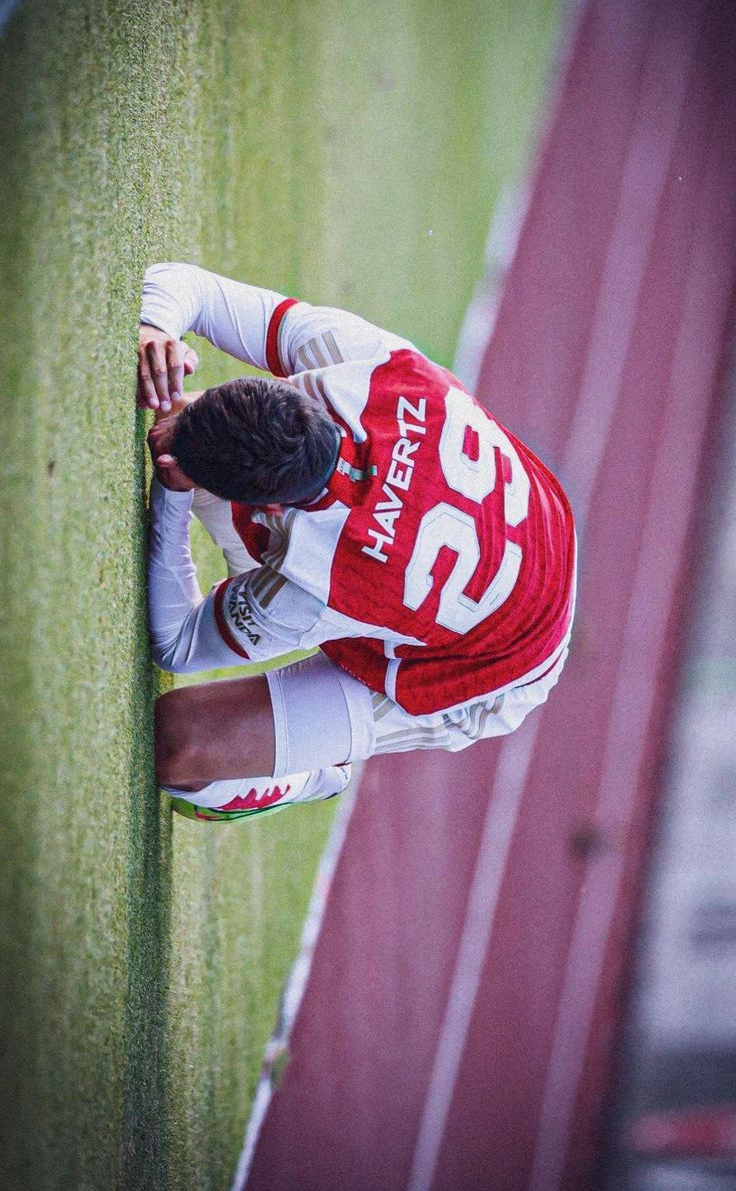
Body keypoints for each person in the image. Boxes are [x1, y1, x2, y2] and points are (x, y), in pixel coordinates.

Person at [140, 262, 576, 822]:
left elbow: (177, 643)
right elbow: (192, 288)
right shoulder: (362, 362)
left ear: (270, 509)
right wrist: (156, 330)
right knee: (192, 434)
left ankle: (312, 777)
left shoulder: (315, 584)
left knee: (182, 745)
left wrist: (173, 495)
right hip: (531, 529)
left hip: (498, 668)